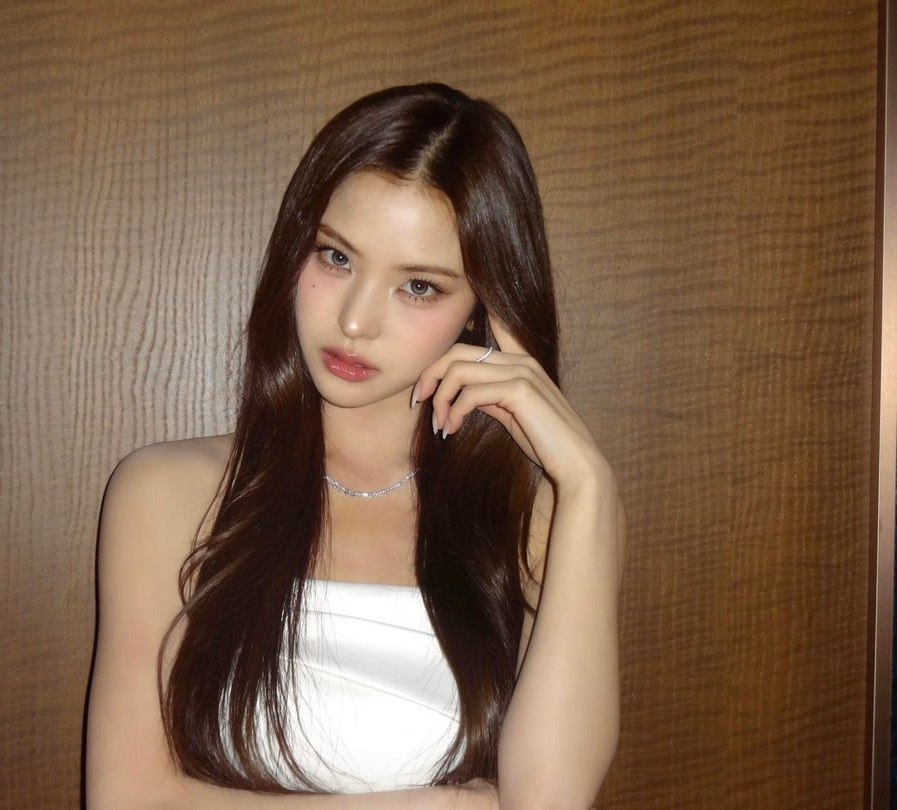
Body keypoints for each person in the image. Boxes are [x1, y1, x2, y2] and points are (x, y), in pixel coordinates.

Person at [85, 83, 625, 810]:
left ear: (483, 313)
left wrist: (588, 483)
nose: (355, 320)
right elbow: (127, 800)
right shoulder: (166, 492)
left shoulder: (547, 519)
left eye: (419, 287)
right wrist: (439, 805)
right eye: (336, 257)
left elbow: (548, 802)